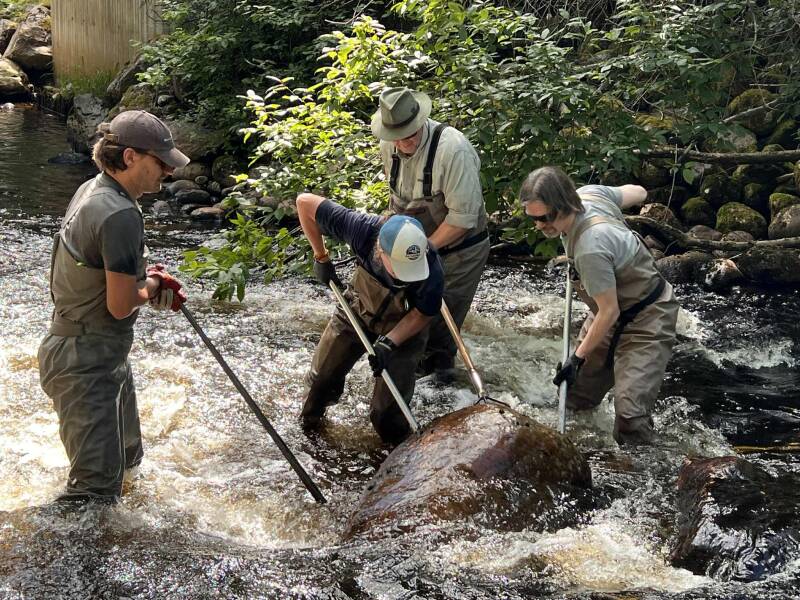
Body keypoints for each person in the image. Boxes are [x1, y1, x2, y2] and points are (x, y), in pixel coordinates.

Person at [38, 110, 190, 503]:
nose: (168, 173)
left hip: (95, 352)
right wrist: (155, 284)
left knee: (127, 464)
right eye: (160, 163)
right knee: (94, 494)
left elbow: (102, 271)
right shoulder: (119, 212)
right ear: (130, 158)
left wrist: (142, 279)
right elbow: (122, 305)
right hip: (84, 361)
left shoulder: (95, 188)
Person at [519, 166, 679, 445]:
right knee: (573, 398)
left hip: (648, 318)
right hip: (610, 315)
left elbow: (609, 311)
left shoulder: (591, 248)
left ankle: (643, 469)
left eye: (543, 218)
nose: (538, 226)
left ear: (563, 204)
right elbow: (638, 192)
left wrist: (575, 359)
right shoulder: (589, 194)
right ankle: (589, 449)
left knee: (630, 418)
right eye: (532, 218)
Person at [296, 192, 444, 444]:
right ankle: (308, 437)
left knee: (386, 413)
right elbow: (304, 202)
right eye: (398, 267)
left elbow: (423, 313)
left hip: (404, 325)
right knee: (321, 381)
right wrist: (320, 257)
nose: (404, 275)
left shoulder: (431, 266)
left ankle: (398, 457)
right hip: (358, 308)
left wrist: (390, 343)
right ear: (380, 250)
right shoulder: (361, 229)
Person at [371, 87, 489, 379]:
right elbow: (396, 202)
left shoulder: (453, 149)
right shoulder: (389, 146)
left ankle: (443, 388)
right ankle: (410, 376)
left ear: (422, 119)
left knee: (438, 327)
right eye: (396, 135)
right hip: (417, 243)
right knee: (401, 314)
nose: (403, 141)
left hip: (461, 250)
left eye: (409, 133)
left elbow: (462, 221)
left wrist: (418, 253)